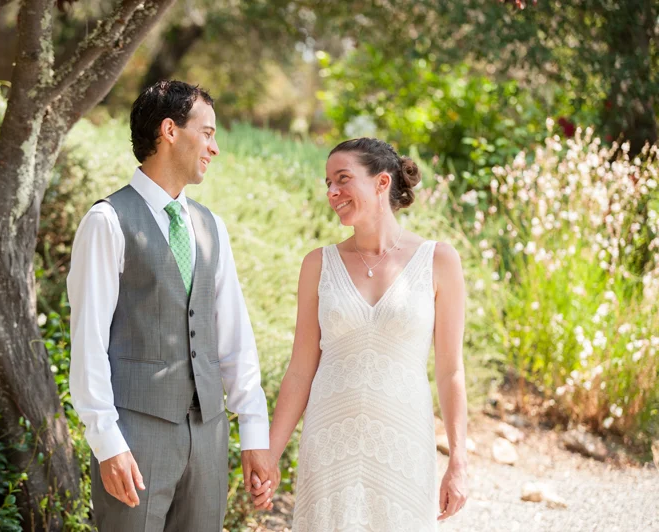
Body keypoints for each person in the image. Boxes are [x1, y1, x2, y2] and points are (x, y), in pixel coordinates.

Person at [67, 80, 278, 532]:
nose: (214, 148)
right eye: (207, 132)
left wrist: (253, 435)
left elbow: (234, 337)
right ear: (170, 130)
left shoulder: (210, 225)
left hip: (208, 436)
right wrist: (107, 442)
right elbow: (87, 343)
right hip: (135, 436)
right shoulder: (107, 221)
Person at [253, 138, 469, 530]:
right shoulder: (318, 264)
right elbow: (301, 370)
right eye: (328, 183)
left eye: (343, 179)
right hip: (329, 442)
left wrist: (459, 460)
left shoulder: (439, 260)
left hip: (402, 442)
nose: (332, 192)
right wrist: (271, 452)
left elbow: (451, 371)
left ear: (382, 182)